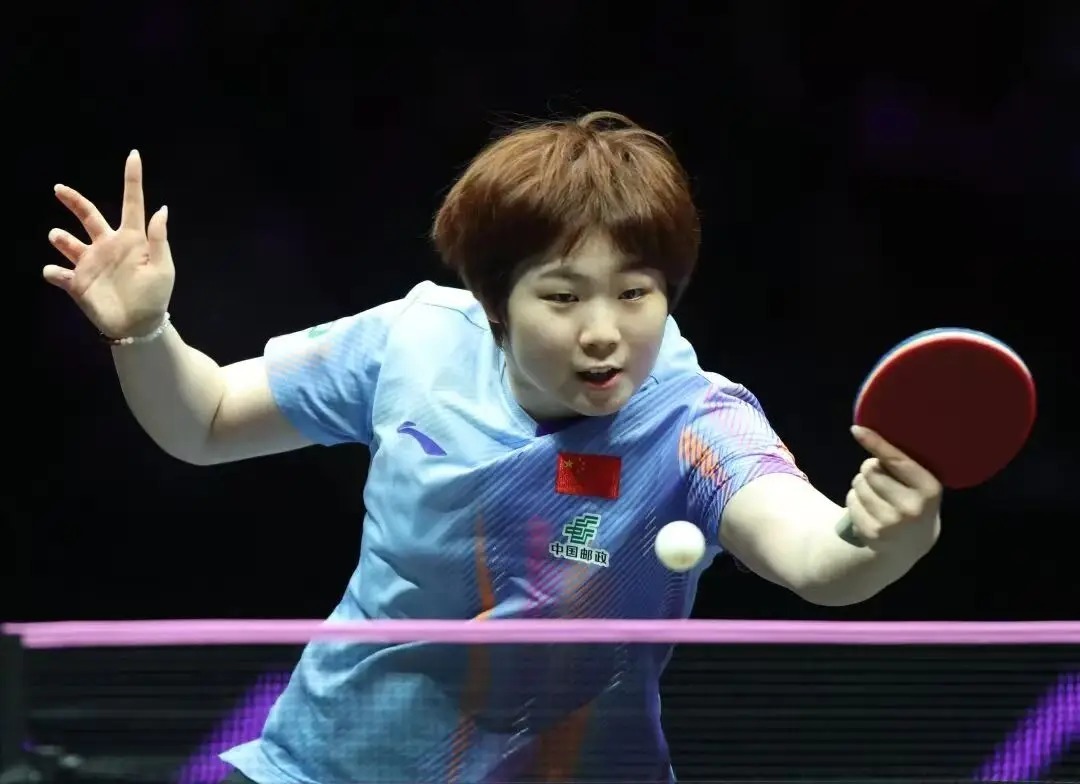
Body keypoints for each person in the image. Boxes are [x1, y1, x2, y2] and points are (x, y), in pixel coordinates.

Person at [43, 112, 944, 783]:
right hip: (334, 765)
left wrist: (884, 536)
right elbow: (204, 422)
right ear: (494, 300)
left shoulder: (694, 420)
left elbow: (816, 558)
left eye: (636, 292)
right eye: (563, 297)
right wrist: (145, 333)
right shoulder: (412, 342)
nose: (604, 331)